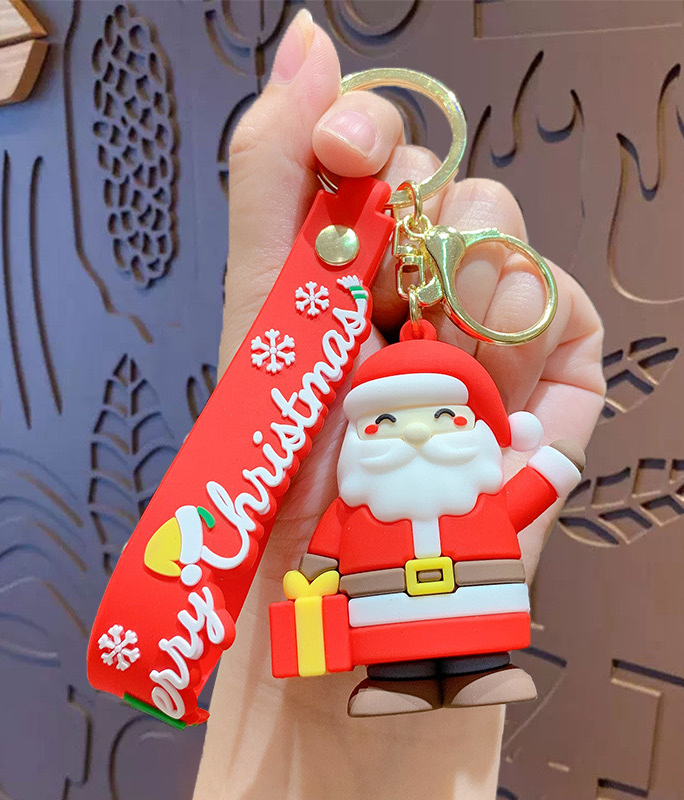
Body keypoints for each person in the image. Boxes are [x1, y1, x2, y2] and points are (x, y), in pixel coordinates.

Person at [194, 9, 604, 800]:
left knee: (474, 649)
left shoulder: (471, 488)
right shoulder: (358, 504)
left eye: (441, 418)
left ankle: (474, 671)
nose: (414, 436)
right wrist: (303, 575)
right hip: (377, 630)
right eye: (386, 421)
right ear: (360, 432)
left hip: (474, 610)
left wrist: (552, 464)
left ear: (476, 428)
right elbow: (321, 556)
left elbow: (521, 495)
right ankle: (401, 682)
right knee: (398, 659)